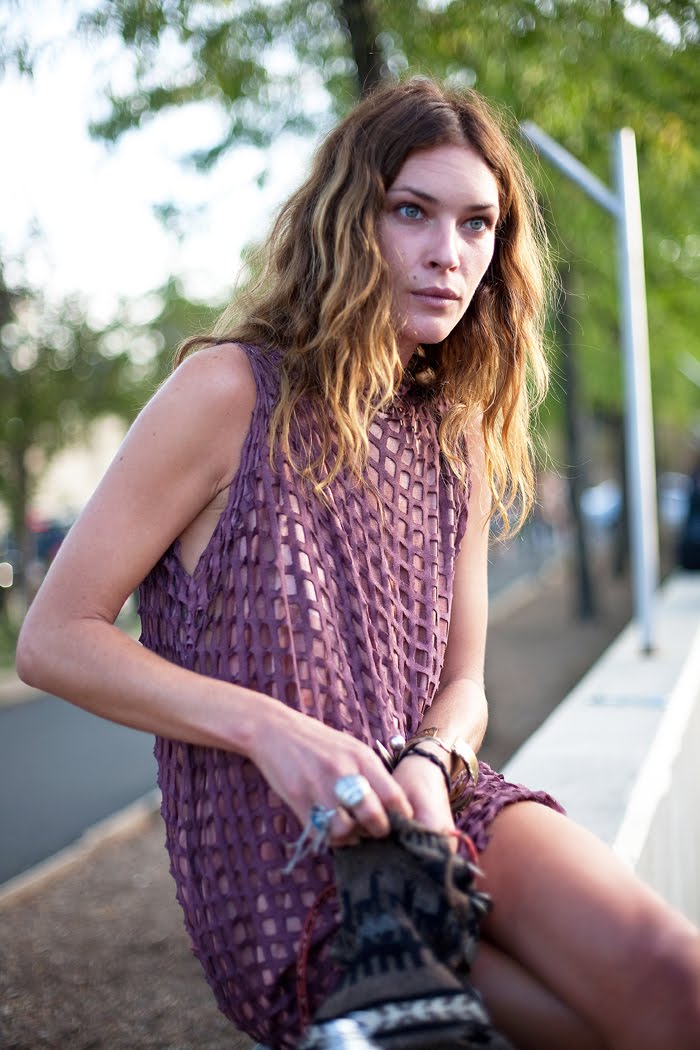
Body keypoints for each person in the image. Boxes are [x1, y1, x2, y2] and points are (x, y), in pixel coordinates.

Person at [17, 78, 700, 1050]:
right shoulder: (227, 392)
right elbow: (54, 638)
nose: (447, 251)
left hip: (436, 801)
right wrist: (270, 729)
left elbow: (463, 684)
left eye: (477, 224)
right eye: (411, 211)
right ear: (349, 222)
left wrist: (431, 757)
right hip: (287, 859)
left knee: (674, 984)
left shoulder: (459, 434)